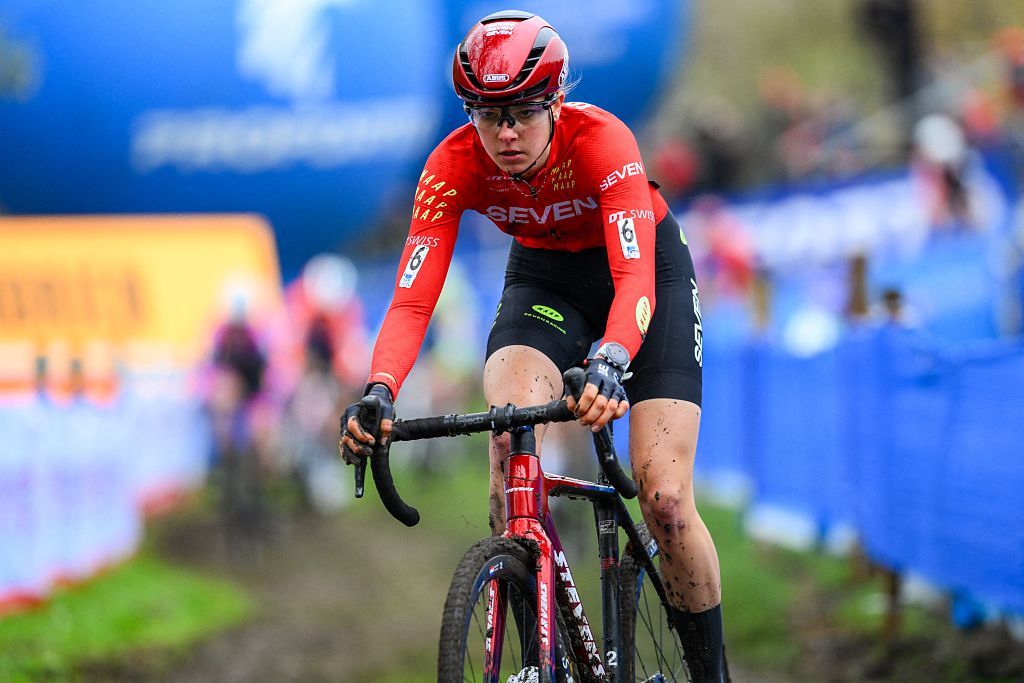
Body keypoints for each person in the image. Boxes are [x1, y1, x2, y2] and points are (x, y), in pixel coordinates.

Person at [340, 11, 726, 681]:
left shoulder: (604, 141)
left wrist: (611, 359)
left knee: (663, 497)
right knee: (509, 432)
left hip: (639, 276)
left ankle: (709, 671)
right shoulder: (451, 165)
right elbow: (411, 298)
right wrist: (380, 388)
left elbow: (634, 276)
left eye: (521, 111)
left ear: (555, 100)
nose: (507, 132)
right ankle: (533, 654)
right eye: (488, 115)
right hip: (545, 283)